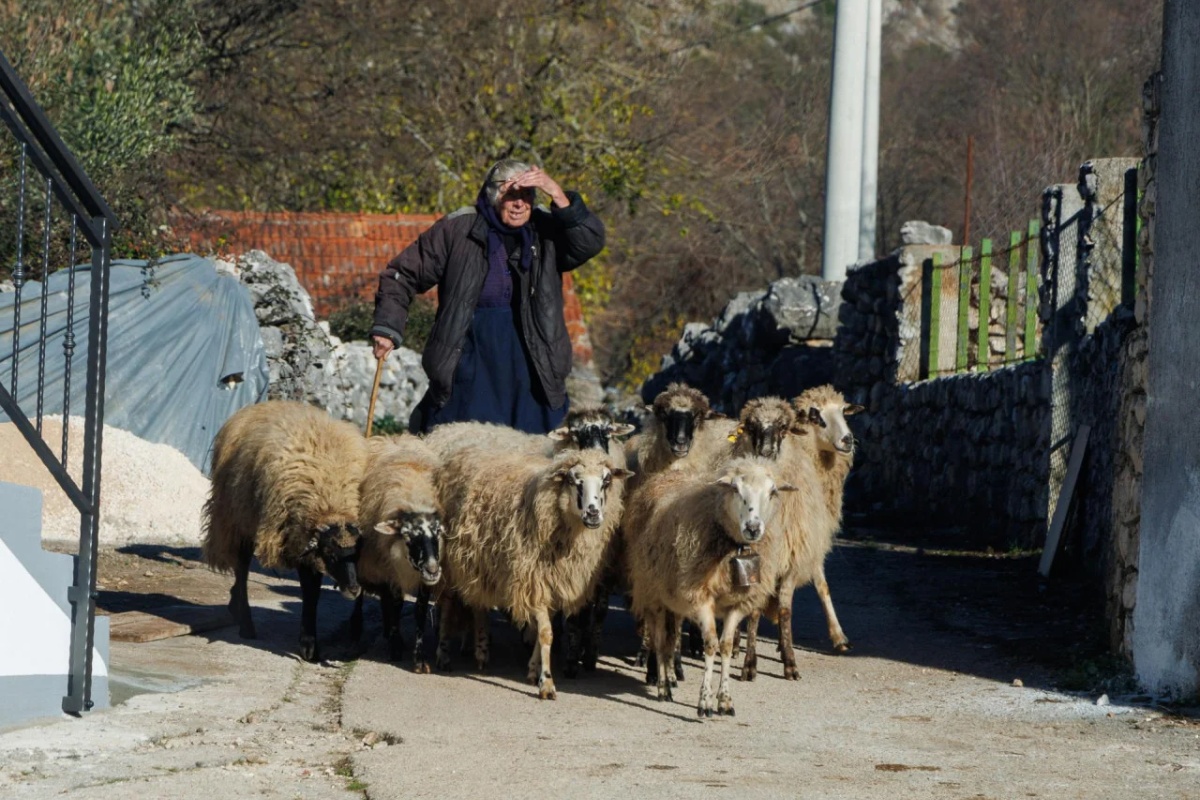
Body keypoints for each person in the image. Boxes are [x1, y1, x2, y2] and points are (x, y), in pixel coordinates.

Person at [370, 159, 605, 434]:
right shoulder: (459, 228)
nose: (519, 204)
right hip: (470, 357)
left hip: (534, 362)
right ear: (494, 196)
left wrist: (556, 193)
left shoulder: (546, 229)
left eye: (526, 195)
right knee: (461, 448)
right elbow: (402, 275)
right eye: (511, 195)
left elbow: (590, 241)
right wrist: (388, 327)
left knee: (537, 455)